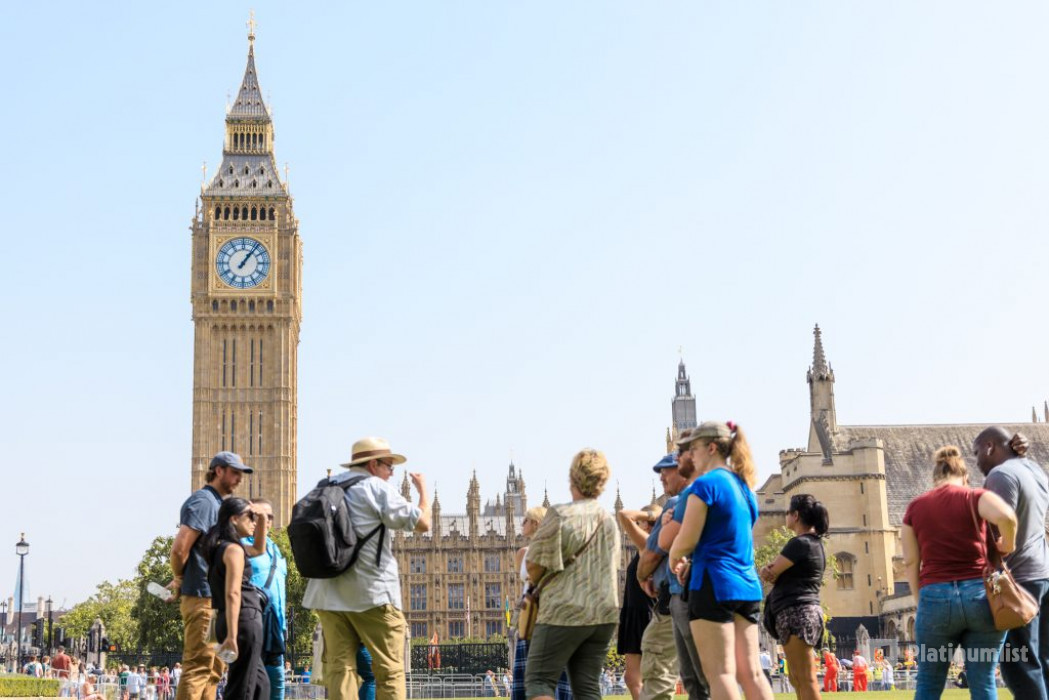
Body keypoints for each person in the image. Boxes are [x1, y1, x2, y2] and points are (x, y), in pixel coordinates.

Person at [303, 437, 431, 700]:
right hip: (370, 593)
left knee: (339, 669)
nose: (391, 473)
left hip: (326, 595)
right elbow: (423, 523)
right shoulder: (375, 487)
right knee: (390, 670)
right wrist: (423, 491)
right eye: (388, 466)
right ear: (373, 464)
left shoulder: (325, 485)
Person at [903, 444, 1019, 700]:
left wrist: (919, 600)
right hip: (979, 595)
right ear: (965, 476)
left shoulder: (915, 507)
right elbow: (1008, 517)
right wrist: (1007, 544)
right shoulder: (975, 497)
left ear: (935, 477)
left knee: (928, 685)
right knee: (983, 681)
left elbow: (911, 561)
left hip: (935, 595)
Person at [668, 421, 772, 700]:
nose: (691, 455)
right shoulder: (745, 488)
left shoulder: (705, 485)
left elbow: (686, 540)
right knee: (751, 673)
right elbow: (729, 537)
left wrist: (675, 559)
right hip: (747, 587)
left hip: (713, 584)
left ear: (711, 447)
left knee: (721, 674)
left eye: (694, 449)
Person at [525, 448, 621, 700]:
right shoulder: (609, 521)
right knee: (587, 687)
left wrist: (538, 584)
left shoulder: (560, 514)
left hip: (564, 612)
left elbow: (534, 564)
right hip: (603, 616)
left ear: (572, 479)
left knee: (539, 681)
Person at [170, 451, 253, 700]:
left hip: (212, 599)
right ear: (218, 471)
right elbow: (180, 548)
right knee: (198, 666)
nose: (239, 479)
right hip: (201, 598)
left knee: (214, 669)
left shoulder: (218, 504)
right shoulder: (205, 502)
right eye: (234, 472)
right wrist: (180, 579)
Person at [974, 428, 1049, 700]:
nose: (977, 461)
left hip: (1018, 580)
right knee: (1042, 660)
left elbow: (999, 531)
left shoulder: (1000, 475)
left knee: (1019, 663)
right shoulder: (1036, 471)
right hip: (1043, 575)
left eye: (977, 452)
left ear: (990, 446)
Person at [635, 452, 696, 700]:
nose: (662, 477)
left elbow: (652, 551)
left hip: (675, 597)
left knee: (658, 673)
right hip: (709, 598)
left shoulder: (676, 505)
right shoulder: (716, 498)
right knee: (702, 677)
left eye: (666, 470)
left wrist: (642, 576)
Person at [758, 493, 830, 700]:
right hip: (797, 614)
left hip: (798, 613)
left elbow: (771, 571)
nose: (786, 515)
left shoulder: (800, 543)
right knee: (797, 677)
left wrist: (768, 569)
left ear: (796, 515)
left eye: (788, 512)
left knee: (805, 678)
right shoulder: (812, 543)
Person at [655, 431, 710, 700]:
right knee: (691, 677)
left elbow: (664, 545)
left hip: (697, 591)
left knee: (707, 675)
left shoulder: (691, 496)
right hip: (685, 591)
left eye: (667, 470)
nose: (662, 478)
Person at [204, 497, 271, 700]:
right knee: (243, 688)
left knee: (261, 684)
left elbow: (259, 548)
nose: (253, 521)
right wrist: (232, 637)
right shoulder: (233, 550)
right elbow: (233, 593)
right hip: (242, 619)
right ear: (234, 519)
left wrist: (261, 518)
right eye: (249, 517)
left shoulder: (221, 547)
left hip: (229, 619)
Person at [512, 507, 572, 700]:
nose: (522, 525)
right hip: (529, 615)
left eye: (526, 521)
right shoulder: (522, 553)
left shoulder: (557, 551)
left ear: (536, 523)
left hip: (551, 615)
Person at [242, 498, 288, 700]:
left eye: (269, 516)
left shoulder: (275, 549)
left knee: (277, 685)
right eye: (259, 515)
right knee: (251, 685)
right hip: (252, 623)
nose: (265, 520)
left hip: (276, 627)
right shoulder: (241, 546)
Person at [615, 503, 657, 700]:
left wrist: (650, 514)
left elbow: (624, 515)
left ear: (648, 525)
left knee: (645, 677)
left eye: (640, 523)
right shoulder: (647, 545)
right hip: (635, 613)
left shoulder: (649, 543)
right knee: (633, 678)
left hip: (645, 614)